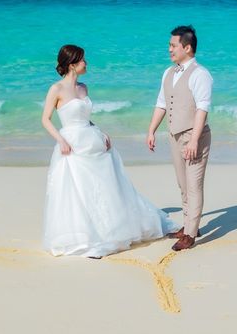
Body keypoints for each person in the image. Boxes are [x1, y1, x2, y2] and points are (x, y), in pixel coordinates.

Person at [41, 45, 176, 258]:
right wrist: (61, 140)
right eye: (83, 60)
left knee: (103, 187)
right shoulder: (56, 89)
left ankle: (109, 230)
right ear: (72, 64)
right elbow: (45, 119)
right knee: (79, 190)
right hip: (72, 144)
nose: (86, 63)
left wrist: (100, 131)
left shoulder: (83, 88)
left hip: (91, 139)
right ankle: (86, 237)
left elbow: (84, 118)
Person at [147, 25, 213, 251]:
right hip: (175, 135)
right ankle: (189, 225)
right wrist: (151, 130)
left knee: (194, 185)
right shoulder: (168, 72)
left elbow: (202, 109)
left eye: (173, 45)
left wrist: (194, 140)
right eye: (169, 45)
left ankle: (191, 234)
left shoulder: (201, 74)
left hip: (195, 136)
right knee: (183, 184)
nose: (169, 49)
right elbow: (162, 103)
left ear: (187, 47)